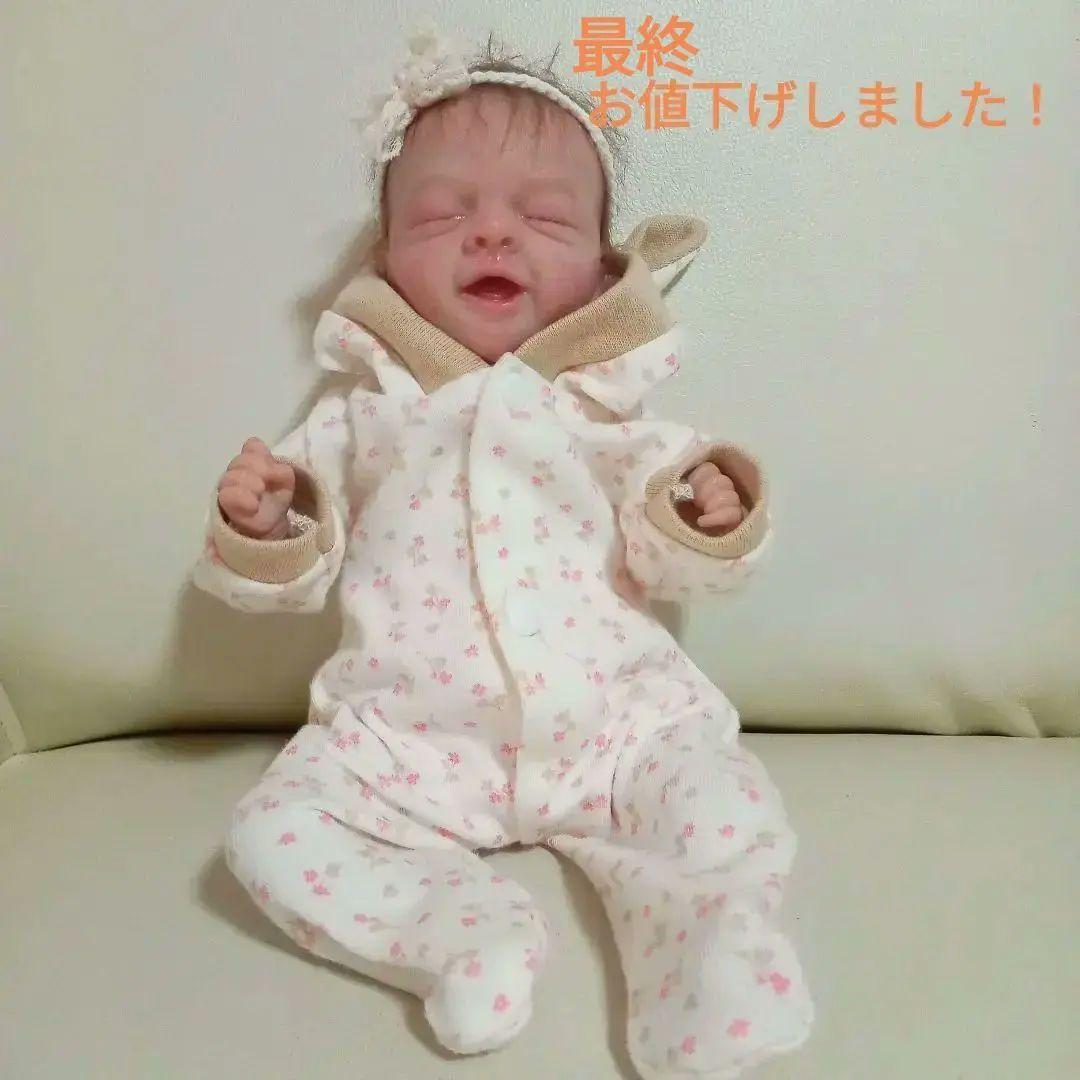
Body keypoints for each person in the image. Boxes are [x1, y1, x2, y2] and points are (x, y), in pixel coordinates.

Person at [191, 26, 813, 1080]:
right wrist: (267, 525)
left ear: (601, 265)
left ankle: (710, 964)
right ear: (386, 258)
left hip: (616, 729)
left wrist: (705, 511)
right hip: (409, 746)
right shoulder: (361, 418)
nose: (490, 232)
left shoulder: (608, 417)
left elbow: (683, 560)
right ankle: (457, 931)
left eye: (544, 216)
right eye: (443, 213)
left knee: (718, 808)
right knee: (268, 833)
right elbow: (299, 558)